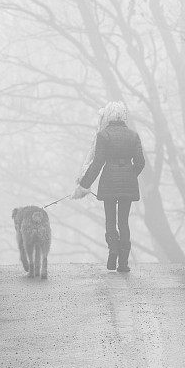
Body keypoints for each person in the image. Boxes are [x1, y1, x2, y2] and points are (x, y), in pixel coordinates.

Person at [72, 101, 145, 272]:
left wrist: (84, 184)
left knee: (110, 221)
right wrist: (129, 174)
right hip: (128, 182)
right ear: (123, 115)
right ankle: (124, 263)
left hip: (109, 182)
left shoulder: (103, 135)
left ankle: (113, 251)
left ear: (108, 116)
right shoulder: (134, 136)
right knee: (124, 222)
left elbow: (97, 163)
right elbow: (140, 162)